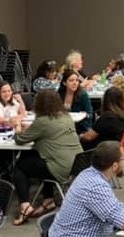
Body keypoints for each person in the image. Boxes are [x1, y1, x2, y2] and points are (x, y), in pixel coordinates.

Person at [11, 90, 83, 225]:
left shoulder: (42, 121)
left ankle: (25, 206)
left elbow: (20, 139)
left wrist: (17, 126)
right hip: (77, 164)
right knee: (34, 156)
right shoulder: (66, 116)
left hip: (60, 167)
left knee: (20, 166)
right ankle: (48, 200)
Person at [78, 87, 124, 151]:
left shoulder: (106, 118)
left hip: (97, 149)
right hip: (114, 149)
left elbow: (88, 137)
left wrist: (80, 136)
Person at [58, 69, 93, 134]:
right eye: (71, 80)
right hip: (61, 126)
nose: (75, 83)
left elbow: (90, 114)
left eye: (77, 80)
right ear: (64, 83)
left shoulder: (83, 95)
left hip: (79, 128)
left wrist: (84, 115)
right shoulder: (59, 94)